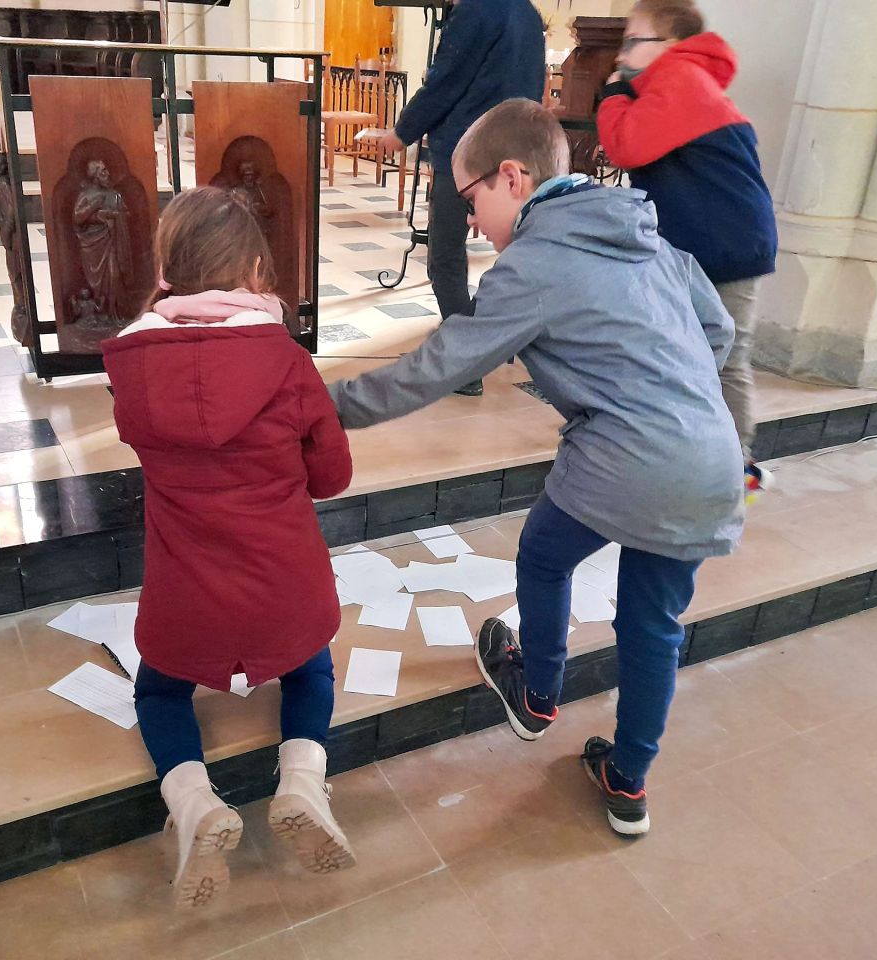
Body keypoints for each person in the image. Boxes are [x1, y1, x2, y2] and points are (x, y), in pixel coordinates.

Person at [330, 100, 743, 837]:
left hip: (621, 457)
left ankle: (537, 694)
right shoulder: (648, 234)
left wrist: (323, 407)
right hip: (711, 458)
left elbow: (437, 367)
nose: (471, 221)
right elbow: (719, 329)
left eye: (471, 199)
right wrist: (668, 396)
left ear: (513, 177)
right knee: (653, 626)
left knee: (545, 557)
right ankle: (627, 783)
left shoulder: (532, 263)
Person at [101, 187, 356, 908]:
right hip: (285, 587)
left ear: (165, 272)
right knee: (311, 670)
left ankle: (192, 802)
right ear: (254, 272)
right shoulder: (288, 362)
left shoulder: (131, 367)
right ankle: (302, 782)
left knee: (158, 689)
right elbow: (332, 477)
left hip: (186, 593)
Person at [596, 0, 778, 497]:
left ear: (671, 45)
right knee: (687, 351)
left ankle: (735, 468)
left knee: (725, 358)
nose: (622, 55)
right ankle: (687, 453)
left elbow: (626, 147)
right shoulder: (679, 79)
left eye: (632, 42)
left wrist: (613, 94)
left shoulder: (679, 77)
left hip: (726, 244)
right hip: (717, 240)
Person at [379, 0, 545, 397]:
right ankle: (503, 341)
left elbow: (445, 83)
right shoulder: (527, 12)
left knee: (445, 256)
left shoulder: (476, 10)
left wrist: (401, 133)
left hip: (468, 154)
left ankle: (466, 366)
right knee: (519, 254)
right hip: (517, 154)